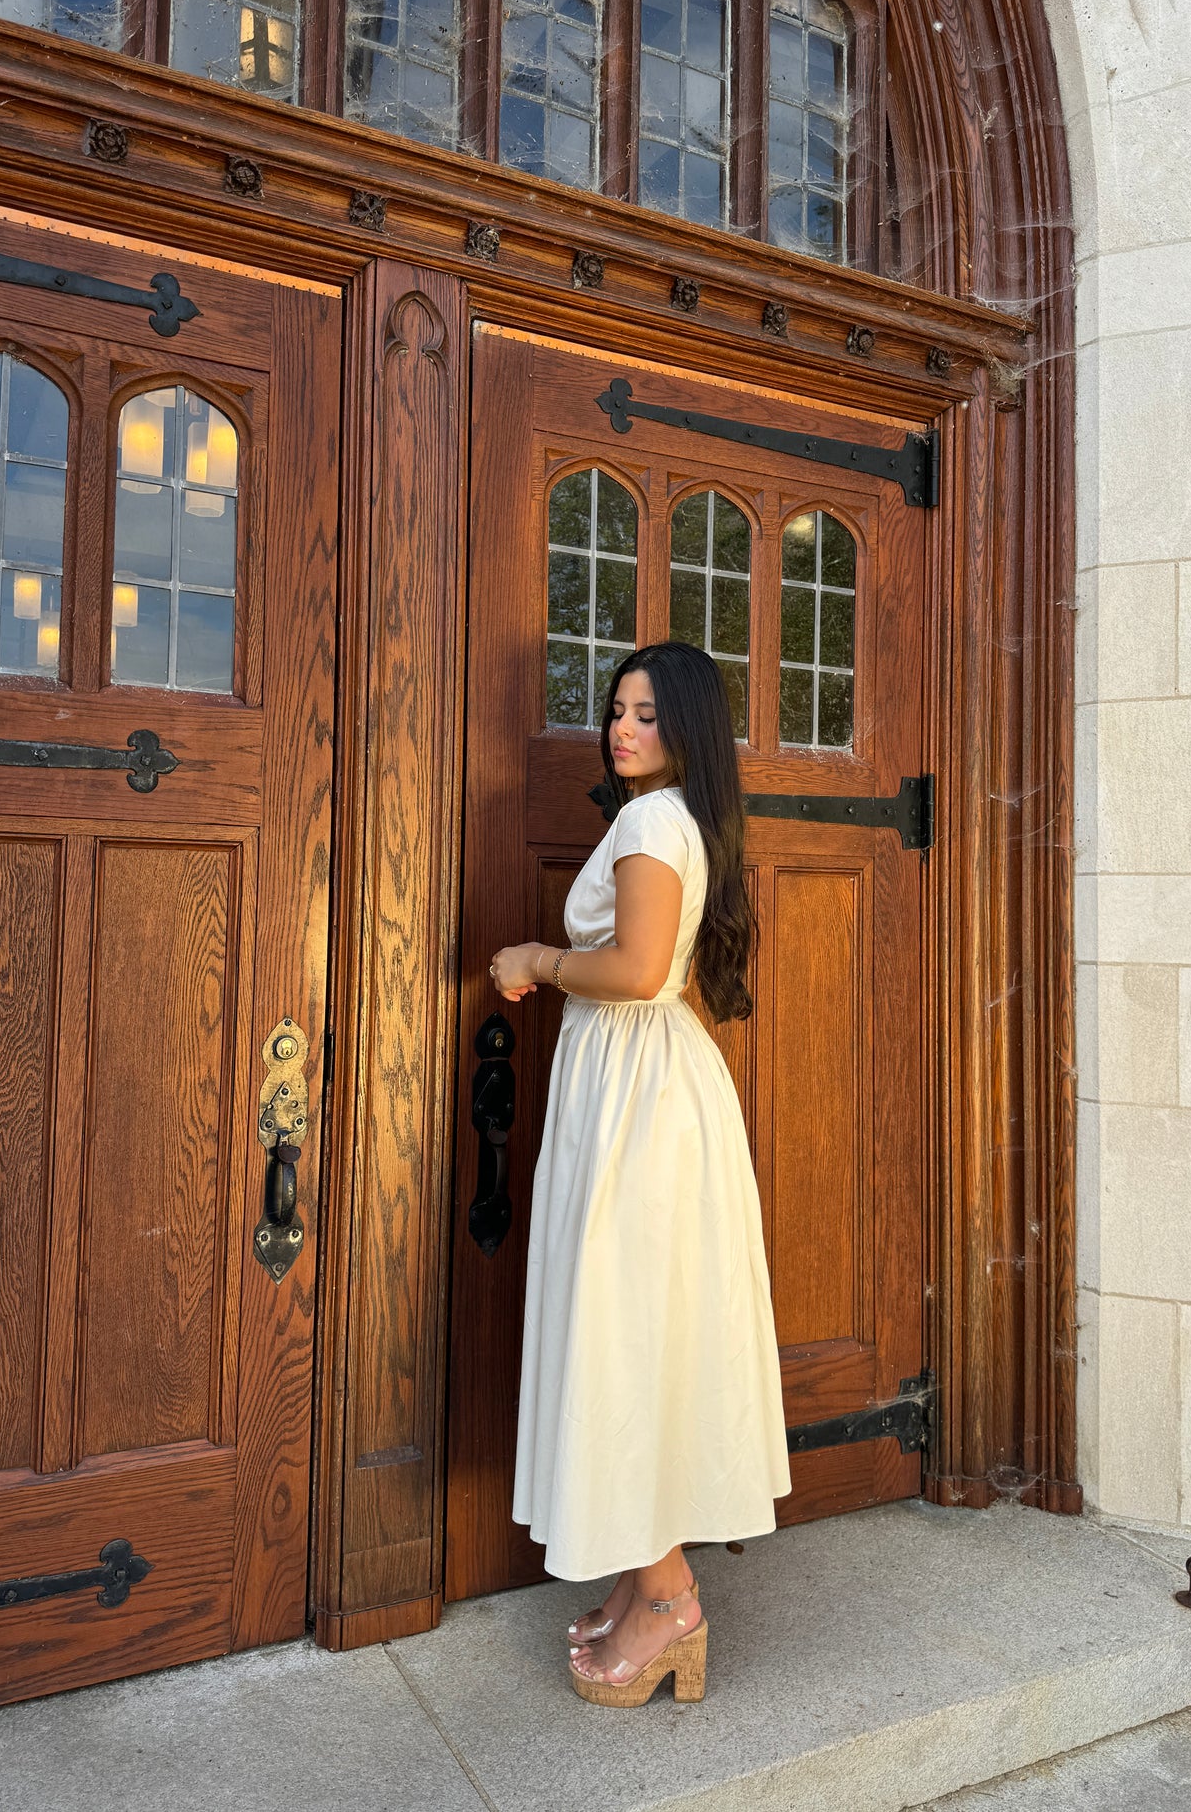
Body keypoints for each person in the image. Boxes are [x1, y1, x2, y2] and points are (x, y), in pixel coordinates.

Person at [489, 641, 790, 1708]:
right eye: (615, 710)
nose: (621, 729)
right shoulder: (670, 818)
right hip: (639, 1085)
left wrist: (534, 961)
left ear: (687, 729)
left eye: (647, 714)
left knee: (625, 1328)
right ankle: (642, 1578)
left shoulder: (652, 823)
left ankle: (667, 1604)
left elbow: (627, 968)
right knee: (634, 1326)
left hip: (637, 1096)